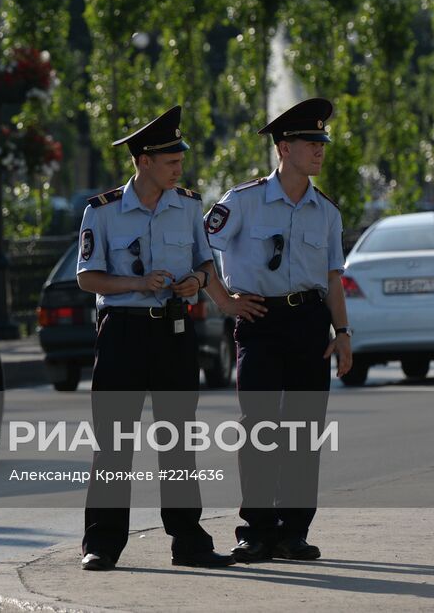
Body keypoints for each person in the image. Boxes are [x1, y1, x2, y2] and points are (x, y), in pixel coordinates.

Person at [77, 105, 267, 572]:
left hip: (175, 332)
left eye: (179, 159)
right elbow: (88, 278)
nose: (179, 166)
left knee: (179, 440)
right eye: (170, 160)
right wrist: (138, 284)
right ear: (143, 161)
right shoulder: (100, 212)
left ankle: (189, 541)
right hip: (123, 332)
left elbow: (206, 263)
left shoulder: (186, 205)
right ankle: (102, 542)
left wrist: (197, 283)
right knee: (114, 441)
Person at [204, 97, 352, 563]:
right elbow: (199, 247)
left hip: (309, 323)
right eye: (312, 142)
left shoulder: (326, 212)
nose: (320, 151)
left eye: (322, 142)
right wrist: (224, 301)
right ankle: (256, 530)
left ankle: (294, 531)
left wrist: (343, 332)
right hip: (260, 321)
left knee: (305, 431)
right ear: (284, 148)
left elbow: (332, 278)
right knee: (259, 428)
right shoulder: (242, 201)